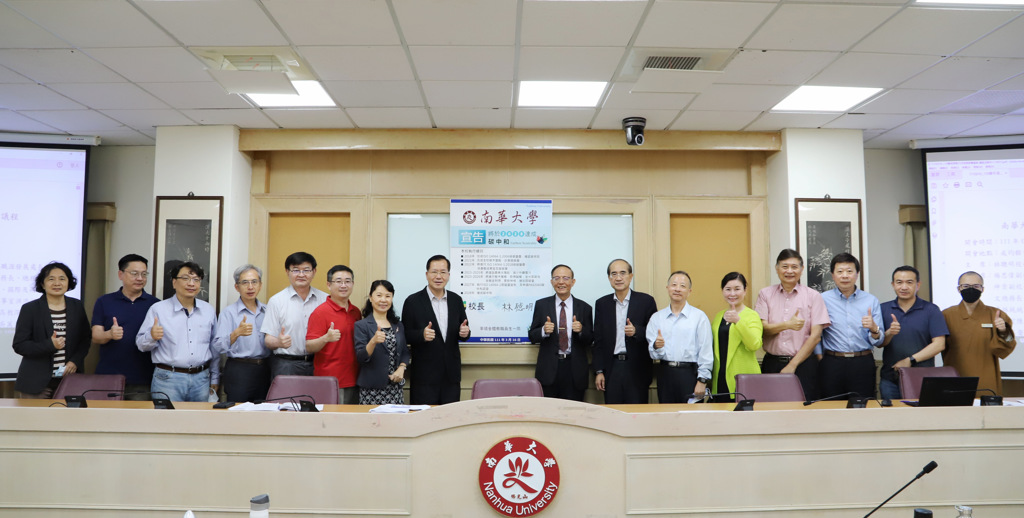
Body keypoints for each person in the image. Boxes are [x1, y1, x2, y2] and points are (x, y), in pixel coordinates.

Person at [136, 262, 218, 402]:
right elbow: (141, 345)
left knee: (199, 416)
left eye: (196, 279)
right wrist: (151, 336)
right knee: (166, 416)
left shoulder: (208, 310)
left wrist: (215, 377)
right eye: (185, 278)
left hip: (201, 379)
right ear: (174, 282)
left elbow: (214, 346)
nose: (191, 284)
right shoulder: (158, 309)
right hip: (168, 378)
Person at [754, 249, 829, 401]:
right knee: (770, 406)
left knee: (804, 407)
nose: (789, 271)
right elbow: (763, 329)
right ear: (777, 269)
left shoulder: (813, 296)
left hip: (804, 364)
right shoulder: (765, 294)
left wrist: (792, 365)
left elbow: (815, 336)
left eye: (794, 267)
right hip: (772, 363)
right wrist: (787, 325)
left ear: (801, 269)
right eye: (785, 266)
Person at [13, 262, 91, 398]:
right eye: (51, 279)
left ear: (69, 282)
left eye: (62, 279)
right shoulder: (30, 309)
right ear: (42, 284)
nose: (57, 283)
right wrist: (50, 345)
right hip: (36, 384)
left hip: (69, 381)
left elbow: (85, 339)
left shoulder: (77, 306)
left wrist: (75, 361)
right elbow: (20, 345)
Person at [401, 255, 470, 405]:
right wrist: (421, 335)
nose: (439, 276)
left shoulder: (456, 300)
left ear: (448, 275)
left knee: (450, 415)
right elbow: (404, 335)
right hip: (424, 377)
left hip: (451, 375)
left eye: (443, 272)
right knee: (424, 416)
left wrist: (465, 333)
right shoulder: (412, 301)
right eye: (434, 272)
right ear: (427, 274)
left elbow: (464, 329)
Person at [90, 253, 160, 400]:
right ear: (120, 274)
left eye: (144, 274)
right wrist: (109, 334)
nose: (140, 278)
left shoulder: (156, 304)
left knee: (138, 415)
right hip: (109, 376)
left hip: (143, 378)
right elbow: (96, 336)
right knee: (105, 414)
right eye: (134, 273)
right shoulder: (104, 301)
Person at [878, 265, 949, 400]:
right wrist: (889, 333)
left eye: (909, 282)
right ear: (893, 285)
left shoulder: (931, 310)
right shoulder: (883, 309)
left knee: (921, 413)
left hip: (922, 378)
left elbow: (939, 344)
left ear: (918, 285)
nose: (904, 287)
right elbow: (879, 344)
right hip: (890, 379)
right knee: (891, 413)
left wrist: (910, 360)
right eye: (899, 282)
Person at [592, 259, 657, 404]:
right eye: (614, 274)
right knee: (613, 411)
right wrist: (599, 371)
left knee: (637, 411)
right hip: (611, 367)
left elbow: (654, 333)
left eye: (623, 273)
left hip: (637, 368)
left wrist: (636, 331)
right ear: (609, 278)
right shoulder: (602, 304)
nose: (618, 278)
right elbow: (599, 340)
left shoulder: (646, 301)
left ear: (630, 276)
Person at [819, 253, 883, 400]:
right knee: (831, 405)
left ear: (857, 274)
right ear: (832, 275)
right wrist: (819, 357)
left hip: (862, 362)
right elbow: (815, 332)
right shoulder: (823, 299)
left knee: (862, 405)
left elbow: (879, 341)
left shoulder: (870, 300)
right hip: (832, 362)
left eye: (849, 271)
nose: (845, 276)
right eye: (840, 271)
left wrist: (874, 329)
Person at [942, 271, 1016, 396]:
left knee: (986, 405)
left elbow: (1006, 347)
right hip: (955, 375)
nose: (971, 289)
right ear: (959, 289)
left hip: (986, 376)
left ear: (982, 289)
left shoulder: (996, 314)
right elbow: (937, 344)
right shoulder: (946, 315)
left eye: (976, 286)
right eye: (966, 286)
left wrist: (1003, 331)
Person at [528, 264, 593, 401]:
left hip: (575, 371)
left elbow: (590, 339)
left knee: (574, 410)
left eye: (566, 278)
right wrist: (543, 331)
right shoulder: (541, 305)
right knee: (548, 410)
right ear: (551, 282)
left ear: (573, 282)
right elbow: (532, 336)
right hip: (549, 370)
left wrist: (581, 330)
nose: (561, 282)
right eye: (556, 278)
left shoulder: (585, 307)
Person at [647, 271, 713, 404]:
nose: (677, 289)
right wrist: (657, 346)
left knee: (691, 415)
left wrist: (702, 380)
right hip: (665, 374)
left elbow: (705, 351)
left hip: (690, 374)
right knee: (667, 414)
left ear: (689, 291)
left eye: (682, 286)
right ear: (667, 288)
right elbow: (653, 354)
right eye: (674, 285)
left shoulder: (699, 317)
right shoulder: (657, 318)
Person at [260, 252, 328, 379]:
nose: (301, 275)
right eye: (296, 270)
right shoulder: (276, 301)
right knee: (285, 393)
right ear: (287, 272)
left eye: (306, 270)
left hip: (318, 362)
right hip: (286, 364)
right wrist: (278, 342)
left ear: (314, 272)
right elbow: (268, 340)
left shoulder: (325, 299)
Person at [212, 264, 271, 403]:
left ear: (260, 285)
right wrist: (236, 333)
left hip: (265, 368)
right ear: (237, 287)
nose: (250, 287)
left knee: (264, 410)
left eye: (254, 282)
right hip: (239, 369)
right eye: (245, 282)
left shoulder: (268, 310)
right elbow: (218, 346)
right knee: (238, 410)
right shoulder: (229, 313)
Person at [306, 265, 363, 404]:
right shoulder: (320, 312)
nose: (343, 285)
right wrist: (326, 338)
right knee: (334, 417)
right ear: (329, 285)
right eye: (338, 281)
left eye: (347, 281)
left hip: (355, 378)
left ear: (353, 284)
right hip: (330, 381)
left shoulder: (356, 312)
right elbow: (309, 346)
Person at [354, 280, 410, 405]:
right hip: (371, 389)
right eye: (379, 295)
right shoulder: (361, 325)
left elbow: (405, 352)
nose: (383, 300)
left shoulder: (398, 325)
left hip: (395, 388)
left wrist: (402, 368)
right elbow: (361, 357)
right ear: (371, 297)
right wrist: (373, 341)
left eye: (388, 296)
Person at [711, 272, 763, 401]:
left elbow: (754, 345)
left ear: (745, 291)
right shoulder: (719, 316)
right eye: (728, 289)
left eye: (737, 289)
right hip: (720, 377)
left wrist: (738, 321)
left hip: (743, 378)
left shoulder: (752, 315)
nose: (732, 293)